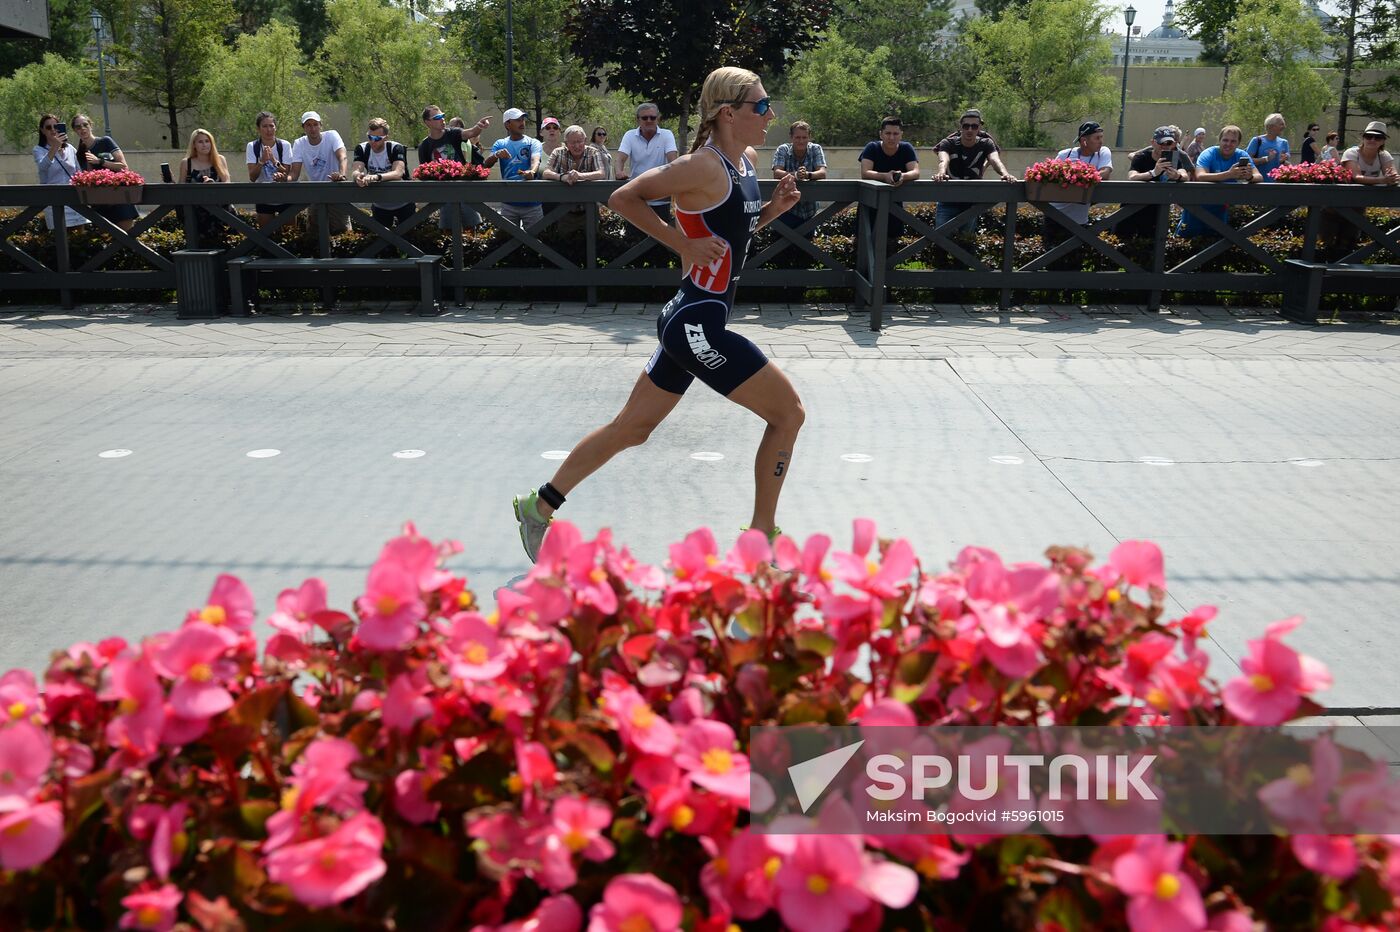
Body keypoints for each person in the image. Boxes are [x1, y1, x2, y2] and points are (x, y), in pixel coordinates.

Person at [511, 66, 803, 563]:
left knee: (631, 428)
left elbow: (732, 235)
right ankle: (761, 539)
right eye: (761, 104)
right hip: (697, 324)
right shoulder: (702, 166)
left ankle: (537, 506)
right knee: (788, 414)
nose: (771, 113)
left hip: (690, 318)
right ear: (729, 113)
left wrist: (772, 210)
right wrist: (681, 243)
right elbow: (622, 196)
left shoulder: (748, 162)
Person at [931, 109, 1016, 234]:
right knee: (940, 238)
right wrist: (941, 172)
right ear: (961, 127)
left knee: (967, 241)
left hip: (971, 199)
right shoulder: (948, 142)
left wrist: (1005, 174)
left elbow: (995, 160)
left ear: (979, 127)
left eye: (974, 126)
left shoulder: (986, 142)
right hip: (947, 198)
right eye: (966, 126)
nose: (970, 129)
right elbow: (943, 159)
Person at [1177, 125, 1260, 237]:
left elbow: (1259, 177)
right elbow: (1200, 176)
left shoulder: (1241, 155)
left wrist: (1249, 177)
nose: (1228, 144)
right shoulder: (1208, 153)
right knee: (1187, 238)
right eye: (1225, 140)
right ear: (1219, 140)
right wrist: (1228, 174)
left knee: (1216, 241)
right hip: (1197, 207)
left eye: (1233, 141)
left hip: (1220, 208)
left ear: (1238, 143)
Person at [418, 103, 491, 230]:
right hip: (443, 196)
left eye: (442, 115)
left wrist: (479, 127)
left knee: (473, 229)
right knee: (448, 231)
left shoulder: (453, 133)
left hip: (464, 191)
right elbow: (424, 175)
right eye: (437, 117)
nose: (442, 119)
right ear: (427, 123)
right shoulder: (424, 146)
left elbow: (471, 132)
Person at [1120, 125, 1194, 240]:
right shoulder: (1141, 157)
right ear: (1153, 142)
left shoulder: (1175, 159)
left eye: (1168, 143)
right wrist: (1154, 172)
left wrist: (1176, 175)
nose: (1164, 147)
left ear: (1174, 144)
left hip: (1156, 213)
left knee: (1152, 250)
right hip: (1130, 210)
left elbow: (1185, 176)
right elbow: (1132, 177)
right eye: (1161, 143)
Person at [72, 113, 137, 231]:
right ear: (75, 130)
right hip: (99, 205)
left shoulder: (105, 141)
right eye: (78, 127)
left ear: (91, 125)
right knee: (106, 243)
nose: (82, 129)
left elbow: (124, 167)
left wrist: (100, 161)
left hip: (119, 199)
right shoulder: (79, 153)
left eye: (85, 124)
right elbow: (86, 178)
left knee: (127, 240)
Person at [616, 102, 679, 221]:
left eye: (653, 117)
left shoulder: (667, 135)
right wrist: (619, 171)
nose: (649, 120)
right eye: (644, 118)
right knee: (634, 238)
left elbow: (673, 160)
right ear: (638, 120)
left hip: (661, 198)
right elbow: (620, 157)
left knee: (661, 238)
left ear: (658, 118)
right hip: (636, 197)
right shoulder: (629, 135)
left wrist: (674, 176)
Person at [483, 107, 545, 229]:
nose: (522, 123)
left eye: (522, 119)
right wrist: (496, 155)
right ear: (507, 124)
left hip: (533, 203)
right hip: (508, 203)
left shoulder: (533, 142)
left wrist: (532, 171)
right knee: (506, 241)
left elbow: (535, 160)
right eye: (517, 120)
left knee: (537, 241)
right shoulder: (500, 144)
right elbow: (486, 165)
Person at [289, 111, 350, 233]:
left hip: (336, 189)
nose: (312, 128)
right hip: (315, 193)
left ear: (320, 125)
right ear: (303, 128)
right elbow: (294, 173)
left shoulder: (332, 135)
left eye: (315, 124)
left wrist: (341, 174)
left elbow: (342, 156)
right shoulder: (299, 143)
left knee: (342, 230)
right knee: (314, 232)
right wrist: (284, 179)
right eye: (308, 125)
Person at [543, 124, 606, 235]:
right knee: (564, 245)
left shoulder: (593, 152)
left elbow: (601, 173)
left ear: (585, 140)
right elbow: (546, 172)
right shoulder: (558, 152)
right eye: (573, 143)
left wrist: (579, 176)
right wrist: (562, 177)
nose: (577, 145)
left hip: (589, 209)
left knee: (593, 245)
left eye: (580, 141)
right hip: (564, 211)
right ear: (566, 143)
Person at [352, 117, 414, 228]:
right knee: (382, 241)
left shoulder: (396, 148)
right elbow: (356, 170)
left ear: (386, 138)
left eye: (377, 138)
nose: (372, 141)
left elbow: (398, 173)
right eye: (370, 137)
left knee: (409, 238)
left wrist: (376, 177)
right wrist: (358, 176)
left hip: (404, 202)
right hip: (380, 205)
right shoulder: (361, 148)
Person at [1050, 120, 1113, 227]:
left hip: (1079, 220)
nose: (1101, 141)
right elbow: (1052, 178)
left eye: (1101, 137)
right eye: (1097, 138)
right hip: (1054, 216)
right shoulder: (1065, 154)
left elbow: (1105, 173)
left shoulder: (1103, 151)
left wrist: (1079, 178)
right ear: (1084, 140)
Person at [32, 113, 88, 231]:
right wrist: (54, 147)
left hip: (74, 199)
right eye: (48, 127)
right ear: (42, 131)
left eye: (55, 126)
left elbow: (79, 173)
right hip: (54, 201)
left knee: (80, 239)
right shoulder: (39, 150)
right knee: (62, 240)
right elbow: (43, 167)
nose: (53, 130)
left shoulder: (70, 149)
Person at [770, 120, 827, 231]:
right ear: (791, 137)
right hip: (786, 209)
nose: (801, 141)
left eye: (804, 137)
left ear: (809, 137)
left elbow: (822, 173)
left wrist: (807, 175)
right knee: (782, 245)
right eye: (797, 137)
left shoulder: (816, 148)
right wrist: (796, 175)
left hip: (810, 210)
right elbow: (777, 173)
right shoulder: (783, 149)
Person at [179, 128, 230, 243]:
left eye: (207, 141)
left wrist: (213, 185)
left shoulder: (220, 160)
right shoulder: (186, 163)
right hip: (197, 215)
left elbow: (227, 183)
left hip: (222, 212)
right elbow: (181, 188)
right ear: (194, 145)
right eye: (200, 142)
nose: (204, 145)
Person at [245, 111, 292, 229]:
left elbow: (287, 175)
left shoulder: (284, 145)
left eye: (271, 126)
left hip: (285, 196)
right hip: (263, 196)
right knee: (266, 236)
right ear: (258, 129)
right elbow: (252, 177)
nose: (268, 129)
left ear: (275, 128)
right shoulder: (252, 146)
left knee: (291, 235)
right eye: (264, 126)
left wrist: (274, 160)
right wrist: (262, 161)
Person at [1245, 114, 1290, 181]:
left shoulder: (1284, 142)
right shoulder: (1257, 141)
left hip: (1278, 184)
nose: (1284, 127)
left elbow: (1287, 165)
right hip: (1259, 184)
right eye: (1281, 124)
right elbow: (1247, 161)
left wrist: (1283, 161)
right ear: (1271, 126)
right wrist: (1266, 159)